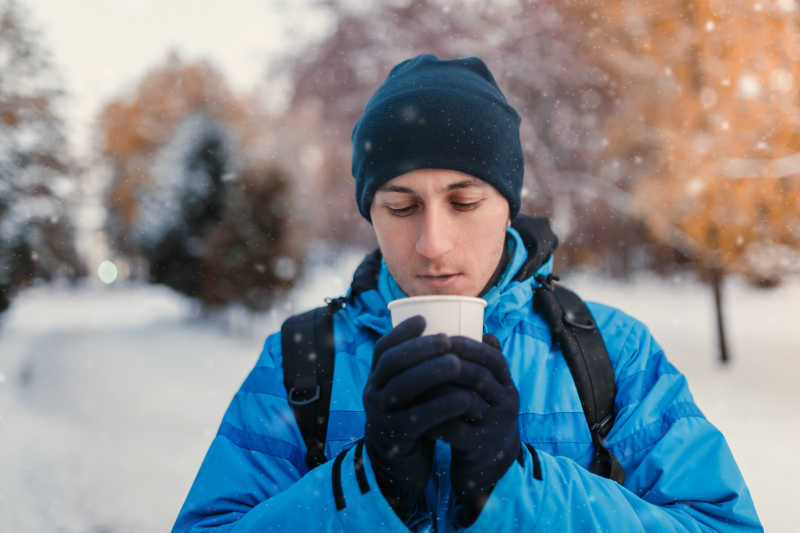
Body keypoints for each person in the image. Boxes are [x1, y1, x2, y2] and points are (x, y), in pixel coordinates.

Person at [172, 54, 762, 532]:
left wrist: (518, 486)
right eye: (401, 206)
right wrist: (368, 487)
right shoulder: (303, 359)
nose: (433, 243)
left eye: (464, 202)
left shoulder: (611, 353)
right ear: (369, 214)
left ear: (509, 204)